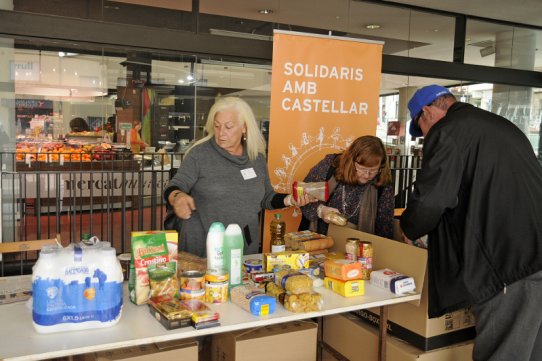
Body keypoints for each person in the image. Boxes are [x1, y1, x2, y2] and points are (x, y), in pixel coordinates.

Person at [400, 84, 542, 361]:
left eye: (421, 129)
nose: (425, 137)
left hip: (509, 264)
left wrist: (410, 227)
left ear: (427, 112)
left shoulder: (449, 131)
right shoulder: (501, 126)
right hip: (535, 255)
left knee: (502, 353)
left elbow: (431, 199)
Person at [164, 97, 312, 257]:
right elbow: (175, 186)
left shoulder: (256, 158)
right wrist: (178, 197)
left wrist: (291, 199)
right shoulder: (199, 155)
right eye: (217, 126)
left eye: (228, 127)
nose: (221, 133)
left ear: (244, 127)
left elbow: (266, 198)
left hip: (243, 244)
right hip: (202, 246)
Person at [299, 135, 394, 238]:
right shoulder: (330, 165)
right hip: (320, 240)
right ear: (351, 161)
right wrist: (320, 211)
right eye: (362, 169)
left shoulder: (383, 182)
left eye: (373, 170)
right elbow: (303, 194)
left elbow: (384, 225)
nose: (367, 175)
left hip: (358, 246)